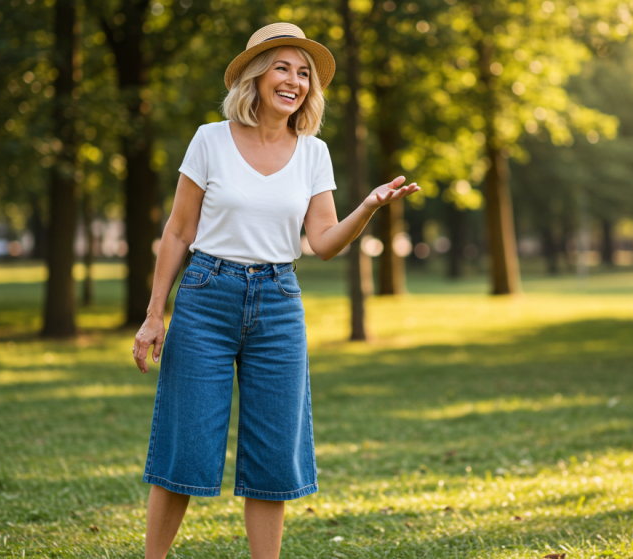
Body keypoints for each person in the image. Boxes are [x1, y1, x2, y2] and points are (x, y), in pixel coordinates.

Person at [130, 22, 420, 559]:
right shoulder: (209, 140)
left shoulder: (314, 152)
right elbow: (178, 231)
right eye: (283, 67)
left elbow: (324, 242)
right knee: (185, 446)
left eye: (304, 72)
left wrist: (369, 206)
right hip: (205, 295)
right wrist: (154, 314)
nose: (295, 81)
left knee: (272, 458)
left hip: (279, 302)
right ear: (256, 76)